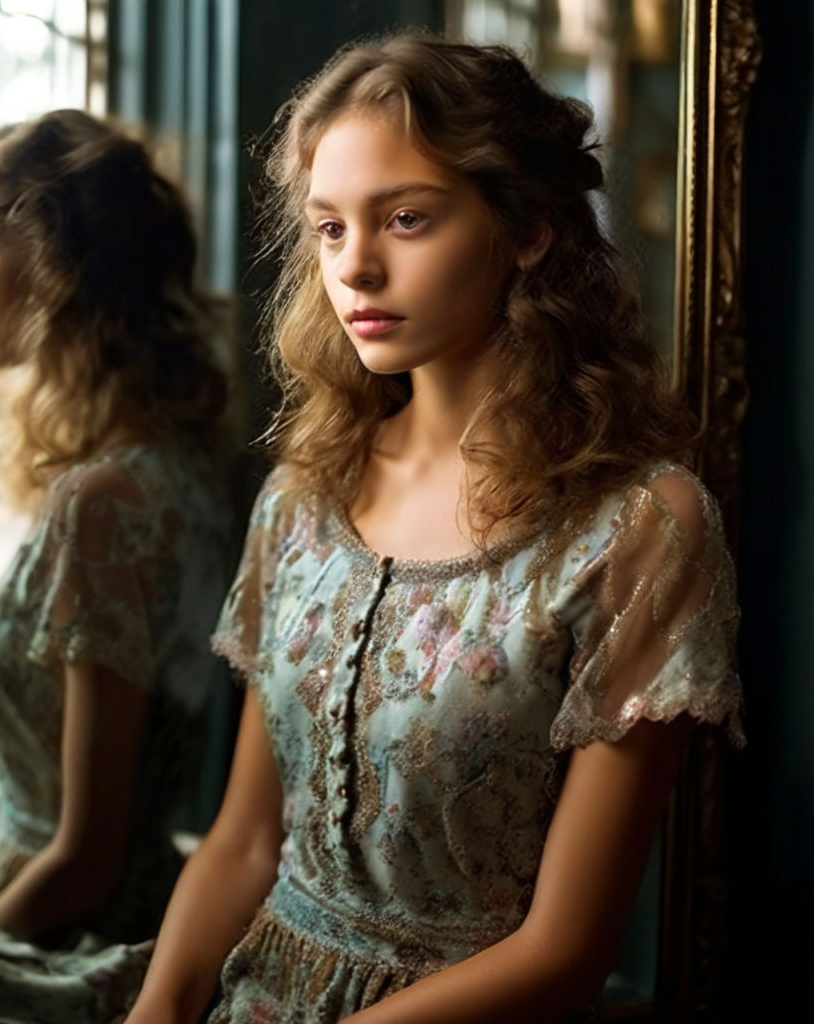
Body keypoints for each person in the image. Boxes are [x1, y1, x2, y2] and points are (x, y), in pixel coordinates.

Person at [124, 32, 744, 1024]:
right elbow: (243, 841)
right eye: (329, 229)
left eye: (405, 218)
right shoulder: (299, 495)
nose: (355, 268)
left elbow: (565, 950)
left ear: (528, 229)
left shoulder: (639, 530)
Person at [0, 108, 235, 1024]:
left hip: (66, 937)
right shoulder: (186, 467)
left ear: (50, 265)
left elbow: (85, 858)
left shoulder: (106, 503)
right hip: (125, 897)